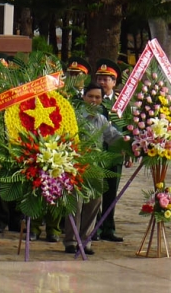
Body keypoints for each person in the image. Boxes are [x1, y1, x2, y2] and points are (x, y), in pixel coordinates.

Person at [65, 82, 126, 255]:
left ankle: (86, 241)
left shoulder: (101, 119)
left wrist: (133, 142)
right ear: (84, 97)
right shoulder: (74, 117)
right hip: (75, 167)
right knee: (75, 205)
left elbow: (113, 137)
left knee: (93, 205)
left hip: (95, 169)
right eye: (90, 96)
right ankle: (71, 240)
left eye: (97, 97)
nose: (94, 100)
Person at [94, 58, 125, 242]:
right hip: (97, 151)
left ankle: (108, 227)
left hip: (115, 153)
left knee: (111, 192)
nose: (103, 82)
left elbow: (127, 126)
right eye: (100, 78)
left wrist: (128, 152)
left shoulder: (122, 102)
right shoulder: (93, 98)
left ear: (115, 81)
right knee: (96, 190)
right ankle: (95, 228)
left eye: (107, 79)